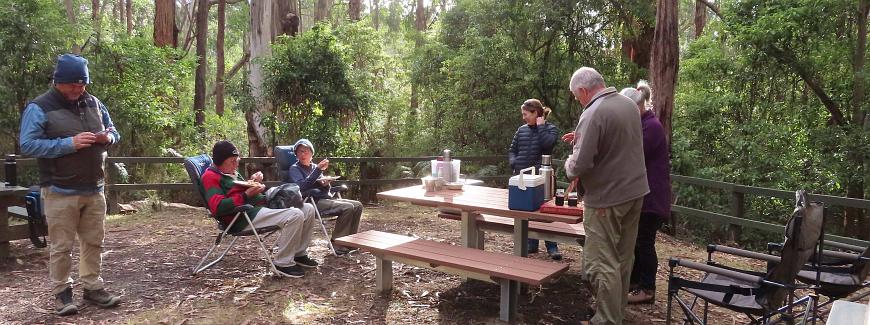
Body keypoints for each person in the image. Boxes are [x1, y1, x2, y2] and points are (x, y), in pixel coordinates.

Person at [19, 54, 122, 316]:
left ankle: (92, 287)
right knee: (62, 246)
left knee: (93, 241)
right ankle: (62, 293)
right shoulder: (40, 107)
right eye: (73, 84)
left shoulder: (94, 103)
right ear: (58, 81)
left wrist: (107, 137)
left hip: (94, 188)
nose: (79, 89)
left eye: (83, 83)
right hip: (59, 190)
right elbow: (28, 144)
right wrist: (69, 144)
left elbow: (113, 129)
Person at [563, 67, 649, 325]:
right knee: (623, 256)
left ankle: (607, 319)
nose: (578, 100)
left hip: (607, 199)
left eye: (576, 96)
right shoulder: (628, 105)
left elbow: (579, 165)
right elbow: (616, 147)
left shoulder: (593, 112)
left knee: (604, 260)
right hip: (635, 192)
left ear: (583, 90)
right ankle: (616, 311)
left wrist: (569, 161)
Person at [201, 140, 318, 278]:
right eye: (233, 161)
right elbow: (218, 207)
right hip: (242, 217)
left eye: (237, 160)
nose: (236, 164)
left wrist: (254, 183)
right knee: (295, 215)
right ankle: (282, 263)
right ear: (220, 161)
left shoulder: (230, 172)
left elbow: (237, 189)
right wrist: (246, 195)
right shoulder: (210, 177)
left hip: (258, 207)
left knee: (308, 209)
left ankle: (299, 254)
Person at [619, 82, 671, 304]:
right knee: (636, 242)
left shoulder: (651, 127)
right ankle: (633, 283)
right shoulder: (641, 124)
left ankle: (647, 288)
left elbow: (630, 152)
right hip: (641, 194)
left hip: (652, 198)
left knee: (644, 242)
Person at [288, 139, 363, 256]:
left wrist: (326, 184)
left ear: (311, 153)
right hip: (311, 201)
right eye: (300, 151)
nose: (303, 154)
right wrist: (318, 171)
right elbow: (302, 187)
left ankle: (349, 241)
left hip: (324, 198)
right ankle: (337, 243)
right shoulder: (295, 168)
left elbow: (322, 187)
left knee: (358, 205)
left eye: (306, 151)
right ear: (296, 154)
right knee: (347, 208)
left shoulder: (314, 167)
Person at [508, 99, 562, 260]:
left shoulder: (550, 129)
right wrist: (514, 162)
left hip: (542, 178)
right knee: (526, 211)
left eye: (526, 114)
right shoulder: (521, 130)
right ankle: (531, 243)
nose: (523, 117)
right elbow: (512, 149)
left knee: (545, 213)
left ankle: (552, 246)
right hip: (523, 179)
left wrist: (540, 126)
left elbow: (548, 144)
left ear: (536, 113)